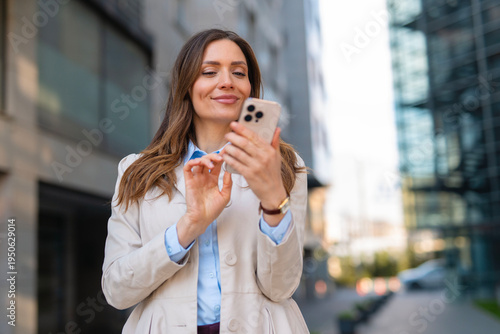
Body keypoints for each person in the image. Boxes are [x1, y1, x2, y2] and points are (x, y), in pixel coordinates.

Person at [101, 29, 309, 334]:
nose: (227, 81)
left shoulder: (283, 164)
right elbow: (117, 290)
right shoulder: (137, 171)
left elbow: (282, 287)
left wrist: (272, 203)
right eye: (209, 71)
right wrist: (188, 227)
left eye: (239, 72)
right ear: (187, 85)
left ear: (250, 87)